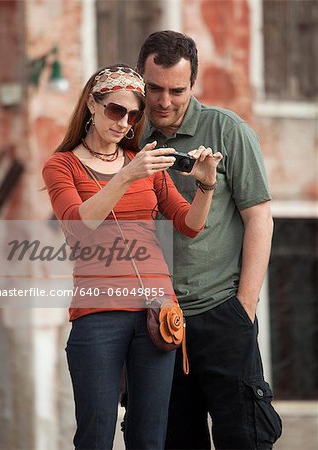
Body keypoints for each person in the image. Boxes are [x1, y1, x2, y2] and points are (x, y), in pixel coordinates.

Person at [42, 64, 222, 450]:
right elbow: (77, 225)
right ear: (92, 103)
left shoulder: (146, 165)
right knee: (96, 430)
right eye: (115, 110)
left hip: (157, 310)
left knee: (149, 435)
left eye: (133, 115)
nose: (124, 122)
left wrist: (206, 184)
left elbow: (188, 224)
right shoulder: (61, 165)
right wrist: (126, 174)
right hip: (97, 313)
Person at [136, 31, 282, 450]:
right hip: (157, 326)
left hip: (222, 316)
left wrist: (245, 308)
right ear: (142, 82)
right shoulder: (130, 140)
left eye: (176, 90)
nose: (164, 101)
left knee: (246, 439)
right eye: (155, 89)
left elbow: (260, 219)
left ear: (192, 85)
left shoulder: (228, 130)